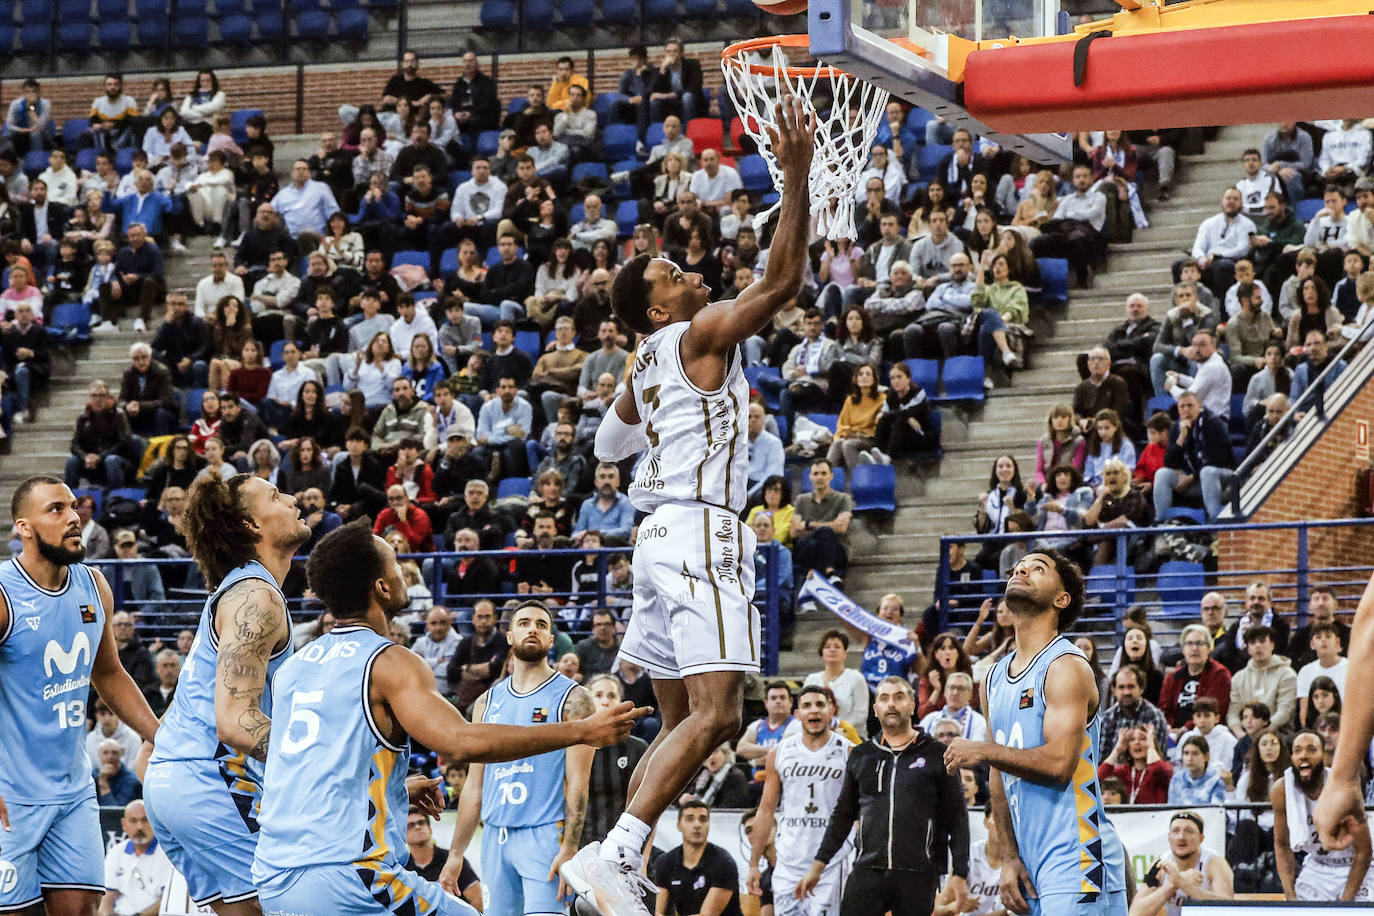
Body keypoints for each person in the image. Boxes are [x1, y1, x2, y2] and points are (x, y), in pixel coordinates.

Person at [554, 97, 814, 916]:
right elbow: (782, 281)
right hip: (702, 531)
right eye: (670, 273)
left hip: (654, 540)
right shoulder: (701, 331)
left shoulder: (644, 361)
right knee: (717, 714)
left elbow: (603, 451)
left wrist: (638, 387)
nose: (685, 266)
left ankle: (620, 856)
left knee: (678, 726)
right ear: (663, 309)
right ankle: (618, 852)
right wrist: (798, 172)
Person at [250, 521, 640, 916]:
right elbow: (460, 741)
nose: (402, 572)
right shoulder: (389, 661)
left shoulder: (292, 670)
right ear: (382, 588)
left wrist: (396, 786)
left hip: (274, 878)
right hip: (347, 874)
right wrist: (582, 730)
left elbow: (305, 766)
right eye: (396, 566)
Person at [141, 472, 313, 914]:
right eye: (276, 495)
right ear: (251, 525)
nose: (293, 499)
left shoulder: (241, 587)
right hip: (207, 777)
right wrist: (329, 766)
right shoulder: (256, 597)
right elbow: (236, 722)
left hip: (169, 780)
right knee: (287, 903)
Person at [0, 477, 161, 915]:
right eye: (56, 509)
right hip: (10, 793)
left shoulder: (94, 587)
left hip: (72, 791)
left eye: (74, 507)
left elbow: (108, 673)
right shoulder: (3, 594)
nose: (73, 517)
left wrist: (159, 736)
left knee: (82, 910)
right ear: (24, 528)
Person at [943, 549, 1129, 916]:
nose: (1023, 570)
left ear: (1062, 599)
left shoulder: (1065, 666)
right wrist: (1009, 857)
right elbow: (998, 777)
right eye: (1019, 567)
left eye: (1038, 568)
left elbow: (1060, 764)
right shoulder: (993, 677)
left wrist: (983, 751)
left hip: (1078, 857)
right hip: (1029, 864)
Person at [441, 600, 599, 916]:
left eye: (541, 625)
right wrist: (456, 854)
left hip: (544, 834)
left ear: (551, 640)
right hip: (495, 838)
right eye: (524, 623)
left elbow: (578, 784)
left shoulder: (575, 698)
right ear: (510, 636)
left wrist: (569, 846)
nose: (533, 629)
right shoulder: (486, 702)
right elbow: (474, 786)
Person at [800, 676, 968, 915]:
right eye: (884, 698)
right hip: (868, 869)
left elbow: (958, 818)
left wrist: (960, 872)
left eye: (899, 697)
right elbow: (843, 815)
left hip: (919, 873)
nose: (891, 704)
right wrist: (818, 865)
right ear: (875, 708)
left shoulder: (938, 754)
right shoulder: (861, 755)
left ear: (912, 705)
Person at [747, 685, 853, 916]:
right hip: (789, 859)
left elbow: (859, 811)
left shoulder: (848, 752)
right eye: (807, 705)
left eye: (820, 705)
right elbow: (766, 810)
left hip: (831, 861)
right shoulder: (779, 752)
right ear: (797, 715)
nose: (813, 711)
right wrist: (754, 863)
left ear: (831, 710)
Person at [1274, 730, 1373, 901]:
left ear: (1324, 756)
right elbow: (1282, 845)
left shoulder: (1344, 788)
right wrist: (1290, 896)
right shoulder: (1281, 790)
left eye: (1312, 750)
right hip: (1318, 867)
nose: (1303, 756)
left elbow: (1364, 851)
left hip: (1357, 865)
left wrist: (1346, 901)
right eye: (1297, 751)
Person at [583, 674, 650, 848]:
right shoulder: (574, 748)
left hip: (624, 850)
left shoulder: (637, 748)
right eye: (598, 695)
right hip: (581, 850)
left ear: (621, 702)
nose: (605, 701)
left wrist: (644, 858)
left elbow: (650, 807)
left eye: (612, 696)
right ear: (587, 702)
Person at [1131, 811, 1234, 916]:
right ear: (1169, 837)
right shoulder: (1159, 865)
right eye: (1175, 831)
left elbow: (1227, 908)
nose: (1181, 837)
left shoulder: (1215, 863)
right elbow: (1135, 913)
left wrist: (1184, 884)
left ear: (1201, 838)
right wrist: (1172, 885)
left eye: (1189, 831)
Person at [101, 799, 174, 916]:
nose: (139, 827)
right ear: (124, 824)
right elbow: (106, 898)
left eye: (145, 820)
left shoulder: (167, 854)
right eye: (133, 821)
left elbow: (169, 900)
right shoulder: (116, 852)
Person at [404, 806, 484, 912]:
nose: (418, 827)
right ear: (403, 835)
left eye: (421, 822)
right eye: (410, 825)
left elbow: (477, 900)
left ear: (430, 829)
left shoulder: (451, 860)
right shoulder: (404, 868)